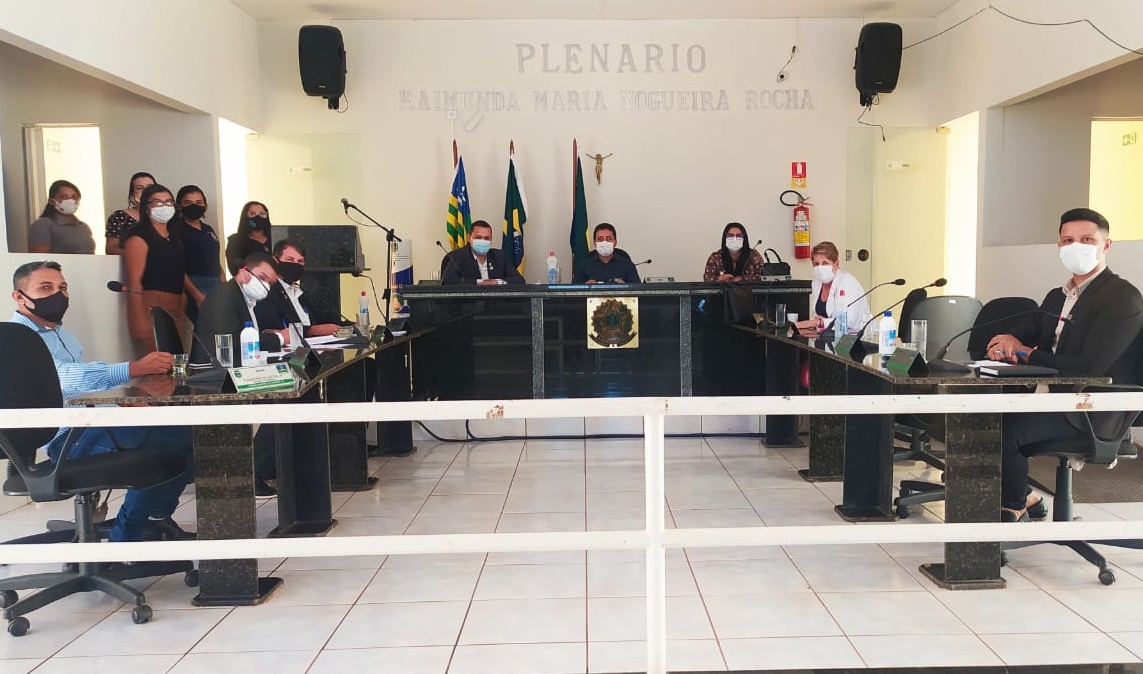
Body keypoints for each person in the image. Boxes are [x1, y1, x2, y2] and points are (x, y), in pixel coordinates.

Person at [8, 260, 194, 542]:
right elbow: (63, 381)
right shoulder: (17, 339)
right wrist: (133, 369)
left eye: (62, 287)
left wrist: (117, 405)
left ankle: (155, 517)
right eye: (45, 288)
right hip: (65, 440)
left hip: (83, 425)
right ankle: (127, 540)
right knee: (165, 441)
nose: (58, 295)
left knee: (188, 431)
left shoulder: (61, 334)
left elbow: (76, 396)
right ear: (19, 296)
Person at [987, 208, 1143, 522]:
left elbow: (1090, 367)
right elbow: (1024, 332)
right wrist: (1006, 341)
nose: (1077, 247)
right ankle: (1024, 496)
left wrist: (1025, 353)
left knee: (1003, 432)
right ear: (1059, 246)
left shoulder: (1121, 297)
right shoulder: (1057, 297)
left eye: (1087, 239)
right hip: (1053, 398)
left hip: (1090, 409)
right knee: (981, 418)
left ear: (1106, 245)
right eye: (1068, 240)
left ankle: (1013, 505)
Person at [192, 252, 291, 366]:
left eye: (270, 283)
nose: (266, 285)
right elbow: (231, 341)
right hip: (211, 370)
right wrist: (279, 338)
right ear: (244, 272)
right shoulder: (224, 296)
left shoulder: (244, 296)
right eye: (262, 277)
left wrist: (266, 334)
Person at [122, 184, 187, 356]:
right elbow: (134, 281)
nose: (164, 207)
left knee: (177, 358)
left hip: (176, 304)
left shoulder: (174, 236)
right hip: (152, 304)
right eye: (157, 202)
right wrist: (139, 318)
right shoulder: (139, 237)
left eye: (168, 202)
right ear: (146, 207)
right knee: (159, 360)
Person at [255, 239, 342, 337]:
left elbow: (323, 322)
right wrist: (312, 331)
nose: (295, 265)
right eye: (289, 260)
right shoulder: (266, 292)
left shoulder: (301, 293)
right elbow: (273, 330)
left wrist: (351, 326)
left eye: (300, 261)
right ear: (274, 261)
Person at [175, 185, 224, 325]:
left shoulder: (208, 229)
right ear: (179, 205)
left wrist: (223, 284)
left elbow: (214, 257)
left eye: (198, 202)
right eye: (188, 203)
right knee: (205, 328)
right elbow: (178, 267)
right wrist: (197, 296)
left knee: (220, 328)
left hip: (216, 284)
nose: (194, 206)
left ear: (205, 205)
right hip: (195, 286)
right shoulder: (177, 230)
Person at [797, 241, 869, 332]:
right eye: (816, 264)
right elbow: (818, 316)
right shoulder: (816, 283)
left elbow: (848, 320)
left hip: (857, 335)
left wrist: (820, 322)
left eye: (825, 263)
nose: (820, 268)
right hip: (829, 334)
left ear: (836, 264)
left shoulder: (847, 282)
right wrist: (818, 321)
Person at [442, 220, 526, 285]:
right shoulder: (459, 256)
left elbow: (519, 280)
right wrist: (479, 283)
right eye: (478, 237)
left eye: (486, 238)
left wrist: (496, 282)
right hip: (469, 301)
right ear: (469, 238)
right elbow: (448, 281)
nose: (483, 241)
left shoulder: (499, 256)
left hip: (495, 301)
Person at [27, 180, 95, 254]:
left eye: (74, 197)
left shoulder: (83, 227)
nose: (70, 200)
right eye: (63, 197)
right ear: (51, 201)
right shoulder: (42, 225)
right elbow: (39, 258)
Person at [572, 223, 641, 284]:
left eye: (608, 239)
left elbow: (637, 289)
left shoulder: (627, 265)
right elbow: (575, 291)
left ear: (615, 242)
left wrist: (624, 286)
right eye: (600, 239)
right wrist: (586, 286)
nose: (604, 242)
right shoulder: (584, 266)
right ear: (594, 243)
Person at [105, 172, 155, 255]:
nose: (145, 191)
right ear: (132, 192)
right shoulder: (120, 216)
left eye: (149, 187)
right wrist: (137, 254)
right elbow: (111, 249)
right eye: (139, 188)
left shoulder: (165, 215)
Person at [225, 201, 273, 276]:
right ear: (245, 217)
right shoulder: (236, 241)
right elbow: (234, 268)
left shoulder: (275, 237)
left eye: (262, 214)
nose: (258, 217)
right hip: (249, 281)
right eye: (252, 214)